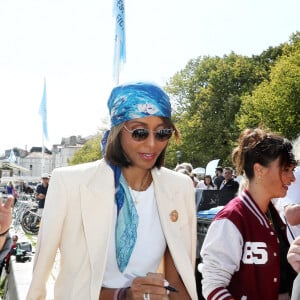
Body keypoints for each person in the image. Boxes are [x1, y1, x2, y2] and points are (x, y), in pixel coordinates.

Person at [26, 82, 198, 300]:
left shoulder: (179, 187)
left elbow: (176, 282)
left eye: (162, 133)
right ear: (118, 130)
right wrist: (123, 295)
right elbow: (43, 276)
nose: (152, 144)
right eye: (140, 132)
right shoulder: (70, 183)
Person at [199, 128, 297, 299]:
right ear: (259, 170)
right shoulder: (231, 219)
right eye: (286, 169)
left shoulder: (272, 213)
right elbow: (212, 286)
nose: (292, 178)